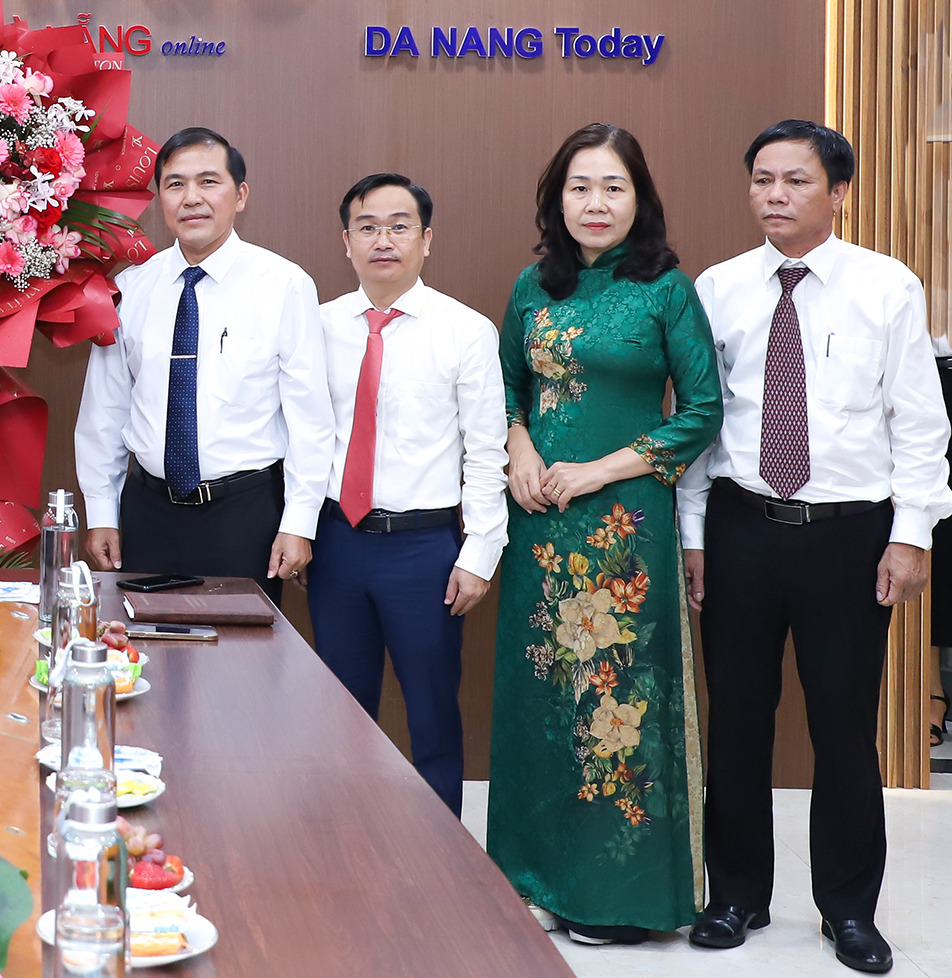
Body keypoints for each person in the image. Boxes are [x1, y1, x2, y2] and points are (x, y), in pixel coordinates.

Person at [677, 121, 945, 974]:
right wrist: (694, 536)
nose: (775, 196)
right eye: (762, 180)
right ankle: (737, 895)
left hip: (848, 536)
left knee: (843, 731)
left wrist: (911, 536)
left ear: (838, 191)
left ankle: (849, 912)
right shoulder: (717, 288)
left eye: (795, 180)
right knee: (739, 726)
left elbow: (921, 424)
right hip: (741, 526)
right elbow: (699, 426)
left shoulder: (888, 287)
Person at [486, 122, 721, 946]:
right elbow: (504, 389)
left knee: (616, 705)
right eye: (580, 186)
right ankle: (535, 877)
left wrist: (598, 468)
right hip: (541, 526)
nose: (595, 202)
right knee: (543, 699)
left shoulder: (666, 288)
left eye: (613, 187)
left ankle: (617, 894)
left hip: (624, 528)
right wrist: (518, 448)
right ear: (557, 197)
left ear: (640, 198)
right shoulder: (530, 286)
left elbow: (700, 412)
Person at [306, 174, 506, 817]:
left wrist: (479, 552)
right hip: (338, 543)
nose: (382, 240)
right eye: (367, 227)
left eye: (399, 226)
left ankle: (442, 859)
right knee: (338, 712)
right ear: (345, 241)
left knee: (432, 715)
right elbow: (304, 438)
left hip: (424, 549)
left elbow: (485, 451)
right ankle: (346, 842)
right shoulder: (318, 327)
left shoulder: (465, 330)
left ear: (426, 239)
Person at [74, 127, 334, 599]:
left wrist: (299, 521)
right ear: (159, 198)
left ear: (241, 195)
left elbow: (309, 418)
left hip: (244, 515)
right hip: (146, 514)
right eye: (175, 184)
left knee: (243, 663)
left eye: (208, 182)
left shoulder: (284, 285)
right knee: (142, 658)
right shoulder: (130, 289)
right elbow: (104, 411)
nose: (191, 198)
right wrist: (102, 513)